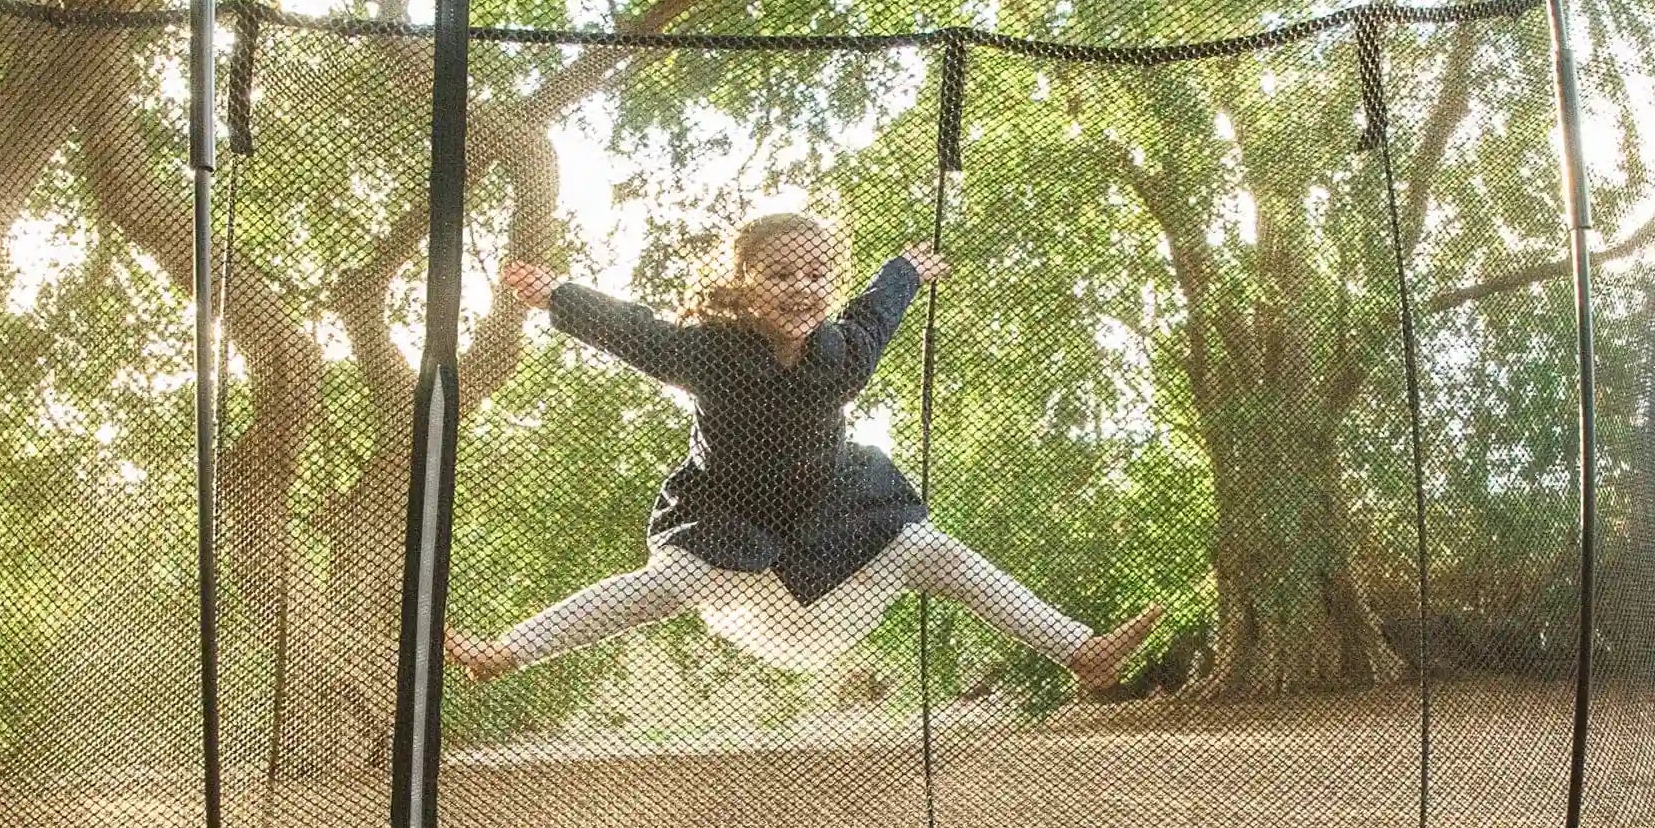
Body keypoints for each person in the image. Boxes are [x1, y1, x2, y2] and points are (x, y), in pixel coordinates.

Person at [447, 212, 1164, 688]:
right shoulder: (706, 351)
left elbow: (879, 310)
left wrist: (906, 270)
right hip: (727, 514)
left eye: (816, 274)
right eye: (780, 274)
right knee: (659, 589)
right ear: (744, 283)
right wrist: (557, 295)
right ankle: (506, 652)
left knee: (935, 552)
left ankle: (1079, 650)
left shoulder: (844, 353)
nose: (801, 287)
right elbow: (633, 330)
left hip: (835, 508)